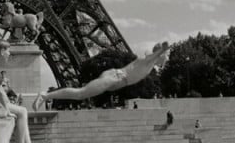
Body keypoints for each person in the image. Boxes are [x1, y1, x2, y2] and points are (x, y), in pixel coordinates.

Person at [32, 43, 171, 111]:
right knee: (81, 93)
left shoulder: (150, 65)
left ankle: (46, 96)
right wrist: (163, 49)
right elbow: (154, 56)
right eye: (167, 55)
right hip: (115, 77)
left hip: (115, 77)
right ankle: (45, 96)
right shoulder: (147, 61)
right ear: (161, 54)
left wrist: (162, 50)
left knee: (81, 93)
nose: (168, 58)